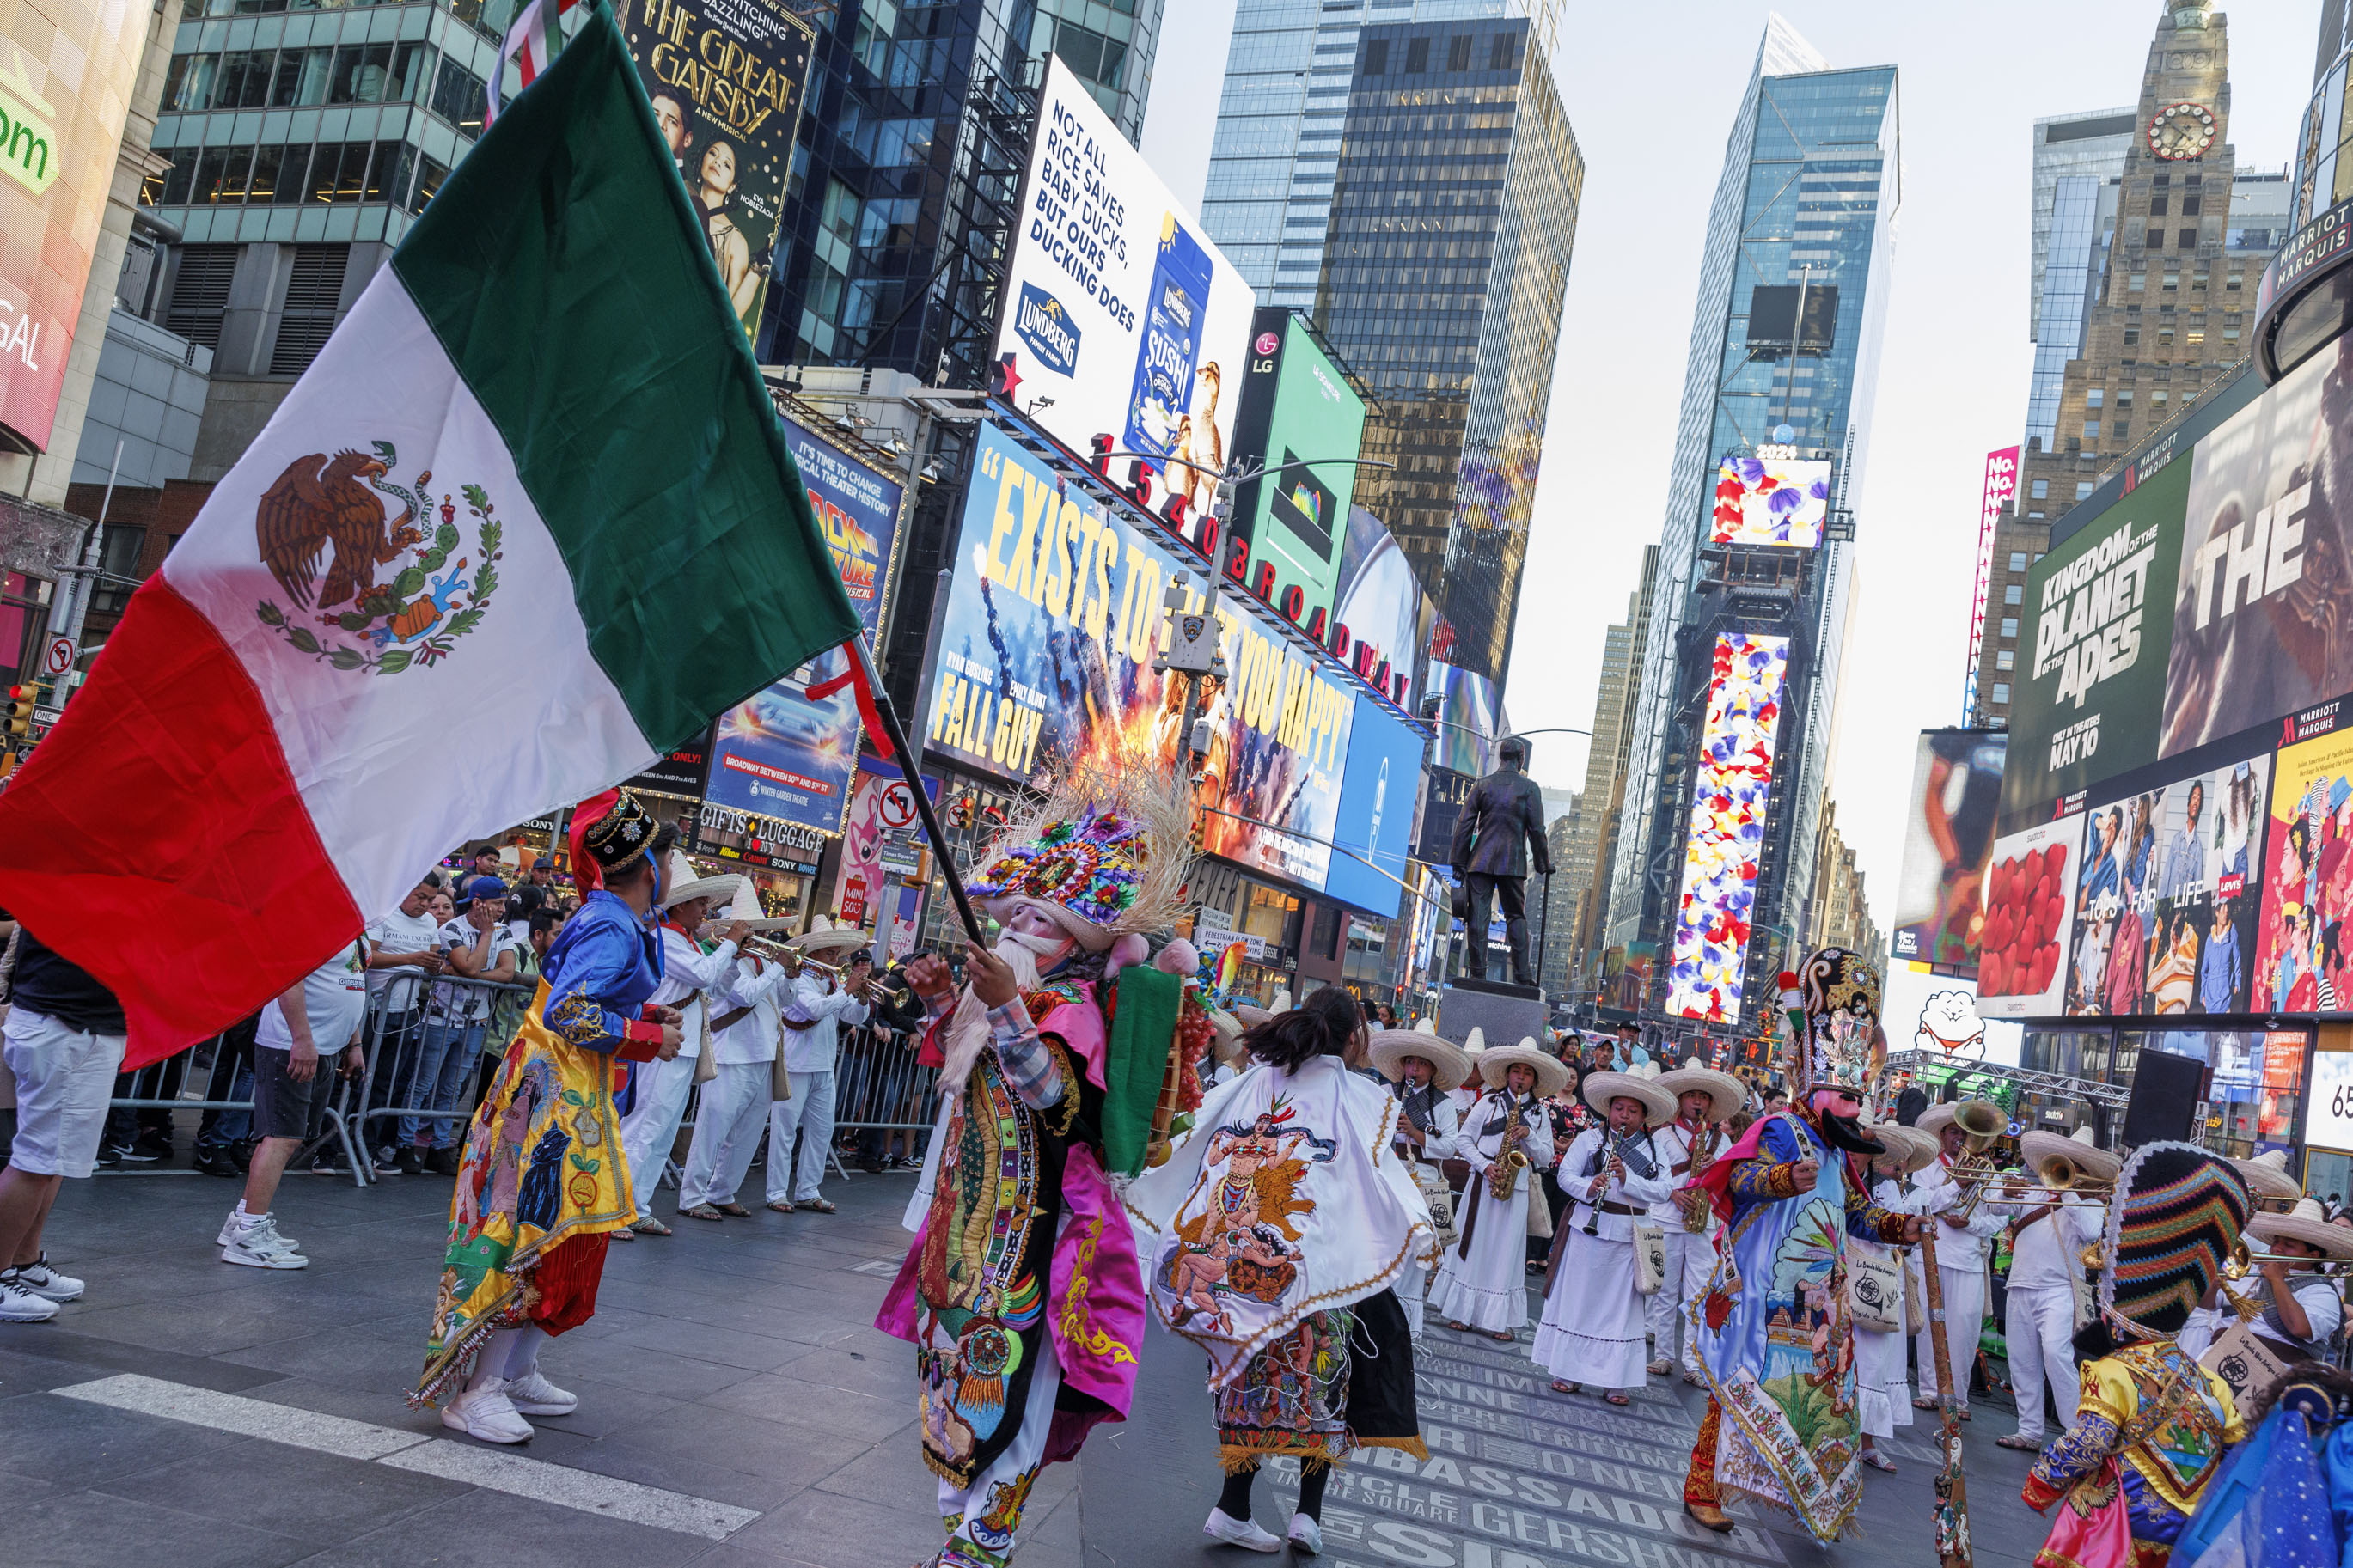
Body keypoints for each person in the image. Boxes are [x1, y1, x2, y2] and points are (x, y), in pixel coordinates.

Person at [876, 766, 1192, 1568]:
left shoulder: (1072, 1009)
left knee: (1011, 1398)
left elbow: (1058, 1112)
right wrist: (951, 1000)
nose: (1018, 928)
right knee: (951, 1390)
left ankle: (980, 1548)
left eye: (1038, 920)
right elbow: (964, 1071)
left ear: (1074, 942)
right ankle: (962, 1540)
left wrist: (1009, 1007)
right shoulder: (1005, 1005)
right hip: (966, 1235)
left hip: (1034, 1245)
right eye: (1013, 913)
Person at [414, 789, 686, 1441]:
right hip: (549, 1102)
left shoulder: (612, 917)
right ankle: (478, 1389)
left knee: (568, 1234)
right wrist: (646, 1038)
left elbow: (565, 994)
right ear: (651, 866)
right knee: (531, 1233)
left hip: (570, 1095)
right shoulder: (611, 921)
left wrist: (642, 1017)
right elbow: (568, 1012)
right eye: (671, 860)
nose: (675, 872)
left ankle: (516, 1370)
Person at [1129, 986, 1435, 1556]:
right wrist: (1419, 1228)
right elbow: (1383, 1176)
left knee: (1251, 1378)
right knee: (1322, 1386)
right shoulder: (1355, 1094)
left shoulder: (1254, 1078)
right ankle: (1306, 1515)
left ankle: (1234, 1504)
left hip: (1249, 1271)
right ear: (1351, 1037)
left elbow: (1193, 1135)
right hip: (1318, 1269)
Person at [1681, 949, 1922, 1541]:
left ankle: (1812, 1502)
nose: (1854, 1108)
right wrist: (1781, 1178)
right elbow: (1736, 1180)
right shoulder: (1780, 1131)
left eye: (1856, 1097)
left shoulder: (1840, 1153)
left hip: (1823, 1307)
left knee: (1822, 1412)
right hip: (1765, 1298)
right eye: (1844, 1097)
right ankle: (1700, 1488)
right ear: (1813, 1089)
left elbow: (1856, 1212)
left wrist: (1899, 1228)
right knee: (1737, 1393)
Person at [2021, 1144, 2251, 1568]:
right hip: (2188, 1527)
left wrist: (2041, 1482)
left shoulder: (2111, 1372)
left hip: (2122, 1523)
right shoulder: (2209, 1380)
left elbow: (2088, 1445)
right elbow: (2237, 1448)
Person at [0, 924, 126, 1322]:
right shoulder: (74, 873)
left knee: (54, 1162)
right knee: (37, 1161)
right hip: (61, 1023)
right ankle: (3, 1272)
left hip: (84, 1025)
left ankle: (24, 1262)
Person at [218, 937, 369, 1268]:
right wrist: (301, 1039)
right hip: (292, 1045)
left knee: (289, 1137)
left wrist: (353, 1043)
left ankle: (242, 1220)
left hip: (325, 1046)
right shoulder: (315, 925)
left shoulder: (356, 928)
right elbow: (290, 980)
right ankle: (249, 1236)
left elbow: (351, 985)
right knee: (281, 1137)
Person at [614, 861, 747, 1236]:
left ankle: (636, 1206)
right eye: (700, 903)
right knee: (643, 1128)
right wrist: (732, 944)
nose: (706, 911)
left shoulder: (687, 941)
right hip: (660, 1043)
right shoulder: (665, 938)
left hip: (680, 1045)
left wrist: (733, 958)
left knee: (662, 1132)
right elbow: (704, 975)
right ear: (680, 907)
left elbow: (717, 988)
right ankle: (615, 1209)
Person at [1537, 1068, 1674, 1405]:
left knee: (1621, 1310)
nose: (1623, 1116)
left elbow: (1665, 1190)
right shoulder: (1592, 1139)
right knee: (1579, 1300)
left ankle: (1615, 1380)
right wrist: (1590, 1185)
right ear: (1610, 1109)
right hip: (1588, 1229)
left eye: (1632, 1111)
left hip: (1629, 1234)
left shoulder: (1655, 1149)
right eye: (1618, 1109)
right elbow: (1566, 1175)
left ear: (1643, 1115)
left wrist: (1629, 1179)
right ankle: (1568, 1370)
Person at [1987, 1129, 2115, 1453]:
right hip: (2019, 1285)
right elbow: (1997, 1211)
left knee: (2057, 1357)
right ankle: (2029, 1430)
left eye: (2073, 1165)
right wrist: (2006, 1192)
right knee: (2021, 1360)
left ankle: (2076, 1433)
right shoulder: (2035, 1192)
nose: (2064, 1169)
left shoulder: (2090, 1204)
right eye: (2062, 1164)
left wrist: (2067, 1192)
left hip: (2059, 1288)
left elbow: (2089, 1232)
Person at [1429, 1036, 1564, 1339]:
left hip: (1514, 1188)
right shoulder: (1488, 1103)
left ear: (1534, 1079)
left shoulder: (1540, 1114)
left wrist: (1528, 1135)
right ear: (1507, 1074)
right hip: (1484, 1179)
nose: (1520, 1077)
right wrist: (1485, 1166)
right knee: (1473, 1245)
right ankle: (1462, 1313)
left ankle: (1496, 1320)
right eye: (1516, 1071)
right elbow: (1464, 1140)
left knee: (1505, 1252)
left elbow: (1545, 1158)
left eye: (1527, 1073)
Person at [400, 876, 521, 1175]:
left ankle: (440, 1146)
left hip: (476, 1022)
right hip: (441, 1019)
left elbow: (506, 973)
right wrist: (485, 937)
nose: (502, 909)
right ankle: (404, 1143)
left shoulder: (504, 932)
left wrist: (471, 972)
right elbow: (468, 966)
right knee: (423, 1083)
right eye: (497, 903)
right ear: (479, 903)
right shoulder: (451, 929)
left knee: (452, 1088)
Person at [675, 927, 795, 1220]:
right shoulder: (728, 960)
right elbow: (745, 995)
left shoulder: (765, 962)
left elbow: (786, 1000)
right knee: (712, 1129)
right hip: (731, 1054)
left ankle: (722, 1192)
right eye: (750, 932)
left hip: (764, 1053)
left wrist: (789, 975)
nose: (757, 939)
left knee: (748, 1134)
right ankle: (692, 1196)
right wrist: (779, 965)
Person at [1366, 1016, 1470, 1335]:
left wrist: (1416, 1133)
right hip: (1386, 1170)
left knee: (1413, 1243)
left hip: (1422, 1176)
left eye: (1421, 1064)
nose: (1414, 1069)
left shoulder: (1443, 1103)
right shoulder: (1385, 1091)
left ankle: (1404, 1319)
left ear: (1432, 1069)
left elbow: (1451, 1144)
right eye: (1410, 1062)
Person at [1909, 1099, 2009, 1417]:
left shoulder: (1987, 1171)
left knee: (1964, 1332)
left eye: (1965, 1133)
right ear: (1942, 1134)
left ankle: (1959, 1399)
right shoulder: (1927, 1166)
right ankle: (1929, 1391)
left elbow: (2000, 1219)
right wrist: (1955, 1187)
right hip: (1932, 1255)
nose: (1961, 1139)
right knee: (1929, 1326)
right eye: (1955, 1132)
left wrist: (1972, 1224)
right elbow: (1918, 1203)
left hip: (1968, 1259)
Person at [1645, 1062, 1742, 1383]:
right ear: (1681, 1099)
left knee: (1699, 1293)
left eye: (1703, 1097)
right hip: (1667, 1217)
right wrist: (1672, 1193)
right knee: (1664, 1290)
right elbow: (1649, 1174)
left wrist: (1719, 1168)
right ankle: (1662, 1355)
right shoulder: (1661, 1134)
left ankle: (1693, 1362)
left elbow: (1732, 1183)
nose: (1698, 1102)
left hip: (1705, 1223)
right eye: (1692, 1096)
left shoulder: (1722, 1141)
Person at [764, 929, 872, 1215]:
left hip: (824, 1065)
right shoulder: (799, 979)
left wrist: (861, 1000)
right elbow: (813, 1010)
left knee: (821, 1131)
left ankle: (808, 1190)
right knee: (784, 1131)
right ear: (812, 954)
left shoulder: (831, 980)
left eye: (837, 953)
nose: (836, 959)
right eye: (829, 953)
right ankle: (776, 1192)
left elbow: (852, 1017)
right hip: (797, 1063)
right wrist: (847, 990)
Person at [1854, 1122, 1934, 1474]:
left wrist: (1902, 1227)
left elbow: (1891, 1235)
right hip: (1839, 1273)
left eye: (1863, 1149)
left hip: (1878, 1278)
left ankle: (1866, 1442)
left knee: (1876, 1361)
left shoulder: (1884, 1186)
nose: (1856, 1155)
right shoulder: (1836, 1179)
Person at [364, 876, 449, 1174]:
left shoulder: (428, 923)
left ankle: (371, 1148)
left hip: (407, 1010)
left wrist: (435, 965)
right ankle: (330, 1148)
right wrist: (411, 958)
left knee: (388, 1083)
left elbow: (436, 960)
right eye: (420, 897)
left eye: (430, 899)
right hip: (374, 1010)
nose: (425, 905)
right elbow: (368, 956)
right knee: (357, 1077)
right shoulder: (384, 914)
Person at [2240, 1198, 2352, 1361]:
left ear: (2312, 1255)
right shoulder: (2255, 1271)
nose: (2277, 1248)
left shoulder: (2323, 1292)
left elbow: (2300, 1328)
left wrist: (2277, 1280)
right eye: (2276, 1242)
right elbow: (2209, 1304)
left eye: (2289, 1245)